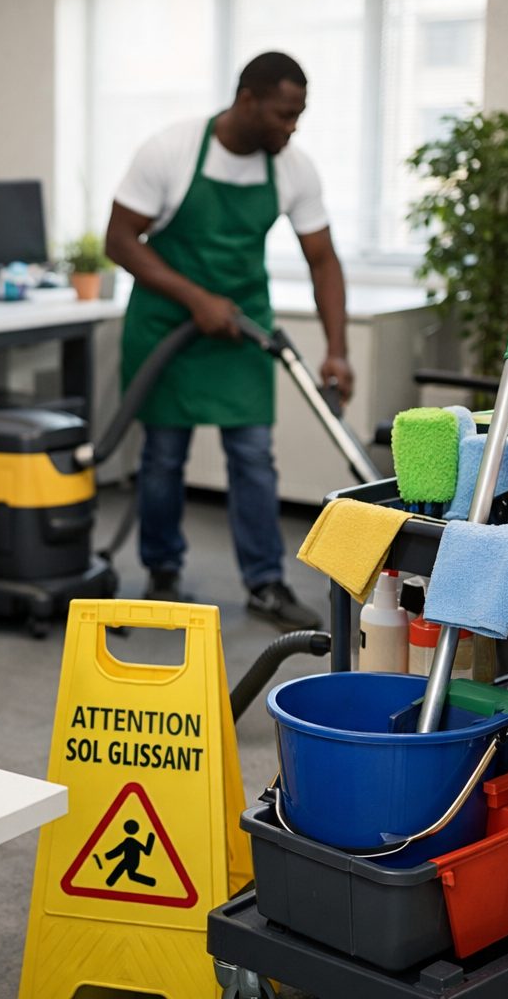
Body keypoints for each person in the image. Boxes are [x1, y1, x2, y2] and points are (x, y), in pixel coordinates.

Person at [105, 51, 353, 631]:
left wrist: (336, 348)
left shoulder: (292, 167)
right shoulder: (170, 150)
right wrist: (195, 298)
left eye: (299, 115)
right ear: (247, 101)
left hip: (242, 327)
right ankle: (162, 575)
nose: (291, 127)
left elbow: (323, 260)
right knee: (163, 458)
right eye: (282, 114)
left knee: (253, 459)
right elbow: (119, 241)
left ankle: (265, 582)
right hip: (167, 325)